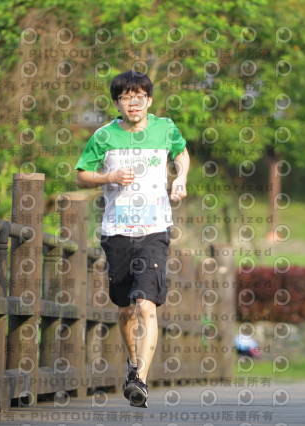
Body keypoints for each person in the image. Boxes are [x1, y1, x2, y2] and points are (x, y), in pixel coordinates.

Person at [75, 71, 190, 408]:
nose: (133, 103)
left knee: (146, 304)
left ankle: (140, 377)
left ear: (149, 100)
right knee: (125, 307)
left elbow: (182, 153)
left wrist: (180, 177)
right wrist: (108, 176)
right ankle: (133, 361)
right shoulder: (103, 136)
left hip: (155, 229)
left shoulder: (165, 128)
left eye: (139, 96)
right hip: (117, 232)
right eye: (126, 97)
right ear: (117, 104)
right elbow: (81, 176)